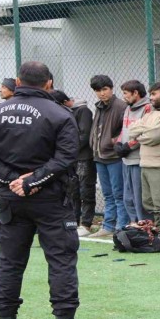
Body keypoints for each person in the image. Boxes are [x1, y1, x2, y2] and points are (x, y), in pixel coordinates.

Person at [0, 61, 85, 319]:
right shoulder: (60, 114)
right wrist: (30, 181)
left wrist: (17, 181)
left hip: (11, 197)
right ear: (49, 83)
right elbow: (67, 157)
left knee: (10, 261)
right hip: (51, 198)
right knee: (61, 260)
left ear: (17, 82)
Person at [127, 82, 160, 252]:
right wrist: (145, 131)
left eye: (154, 94)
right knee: (150, 204)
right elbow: (131, 130)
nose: (150, 98)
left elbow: (154, 137)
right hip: (146, 164)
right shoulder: (151, 113)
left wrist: (141, 134)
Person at [52, 90, 97, 237]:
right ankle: (73, 221)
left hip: (83, 157)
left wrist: (68, 149)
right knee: (73, 191)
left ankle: (86, 223)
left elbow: (85, 135)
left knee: (86, 191)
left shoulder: (83, 111)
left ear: (64, 102)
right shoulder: (65, 112)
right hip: (71, 158)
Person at [89, 74, 129, 238]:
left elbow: (126, 130)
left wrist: (113, 142)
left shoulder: (121, 106)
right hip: (99, 156)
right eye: (98, 90)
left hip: (114, 157)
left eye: (104, 89)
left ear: (111, 88)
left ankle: (121, 226)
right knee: (107, 194)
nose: (102, 93)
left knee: (119, 193)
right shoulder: (99, 106)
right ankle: (108, 225)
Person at [114, 80, 153, 224]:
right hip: (126, 160)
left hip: (138, 160)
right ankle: (134, 224)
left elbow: (145, 133)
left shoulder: (148, 108)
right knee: (128, 198)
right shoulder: (128, 108)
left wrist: (128, 146)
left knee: (139, 198)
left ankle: (145, 226)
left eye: (126, 93)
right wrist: (119, 143)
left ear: (135, 93)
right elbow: (124, 130)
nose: (123, 96)